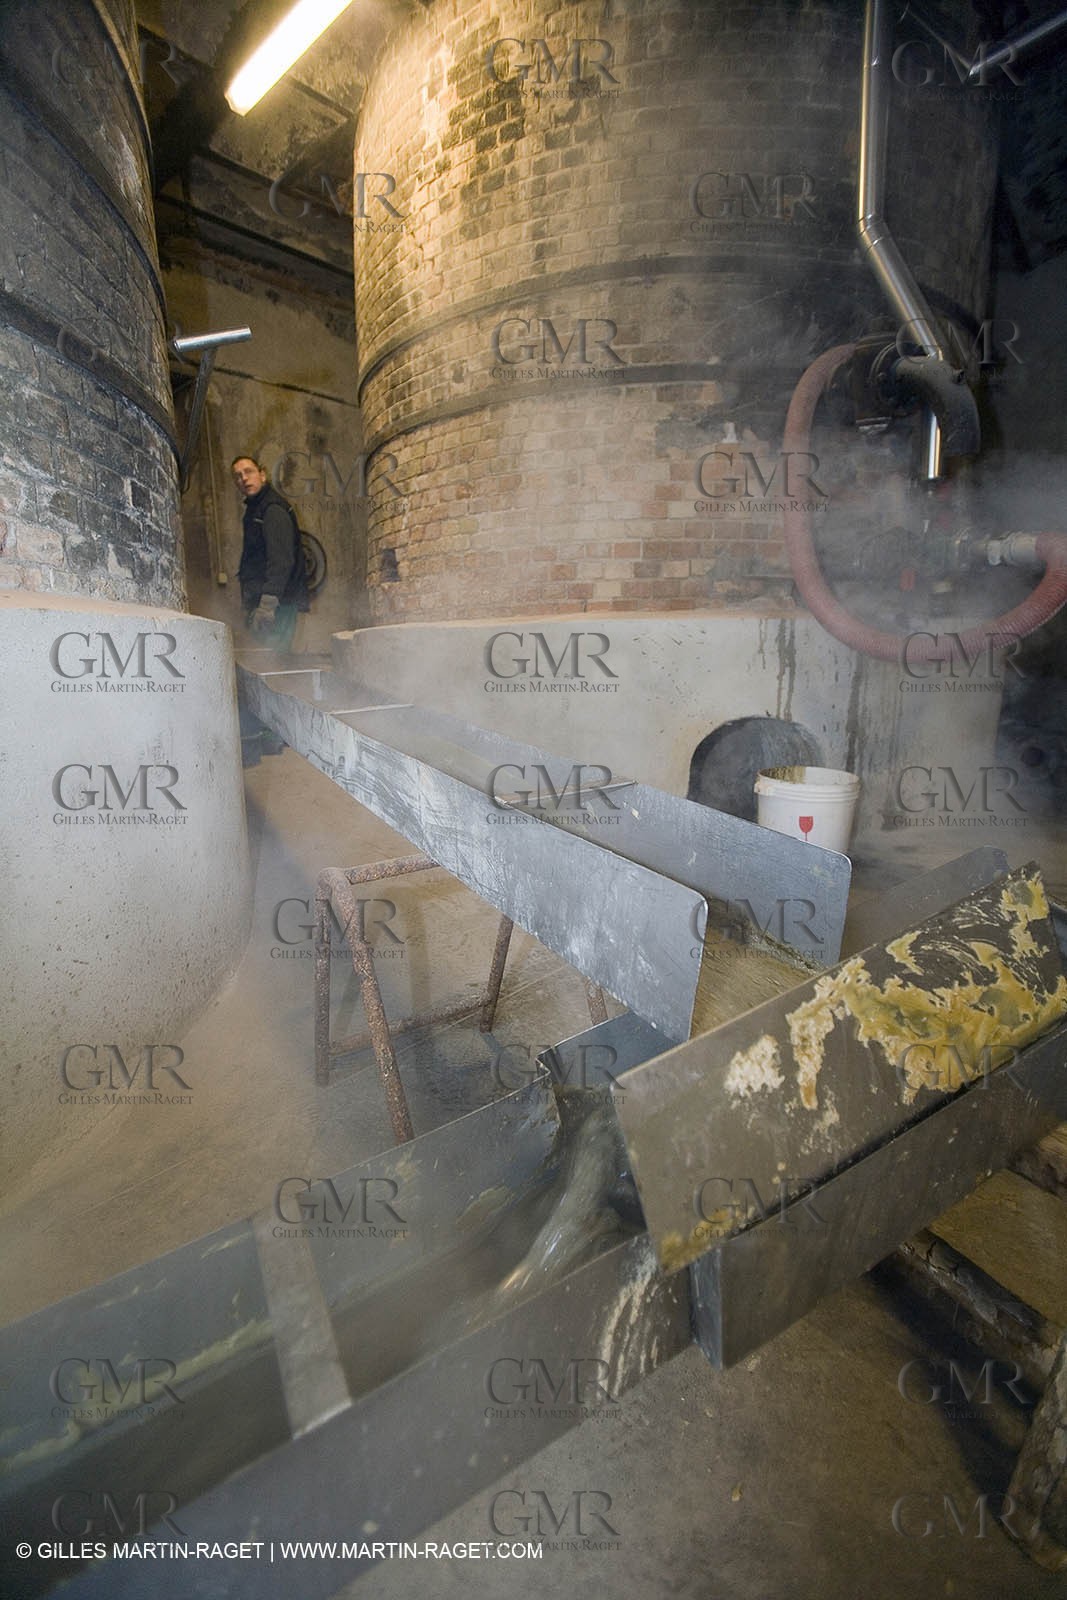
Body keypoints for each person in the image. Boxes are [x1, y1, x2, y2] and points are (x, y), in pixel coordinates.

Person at [232, 455, 309, 652]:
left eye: (248, 472)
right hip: (264, 603)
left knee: (273, 662)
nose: (244, 479)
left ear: (262, 475)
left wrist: (267, 606)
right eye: (238, 476)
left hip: (277, 605)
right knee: (264, 660)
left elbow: (282, 560)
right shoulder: (255, 509)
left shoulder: (273, 509)